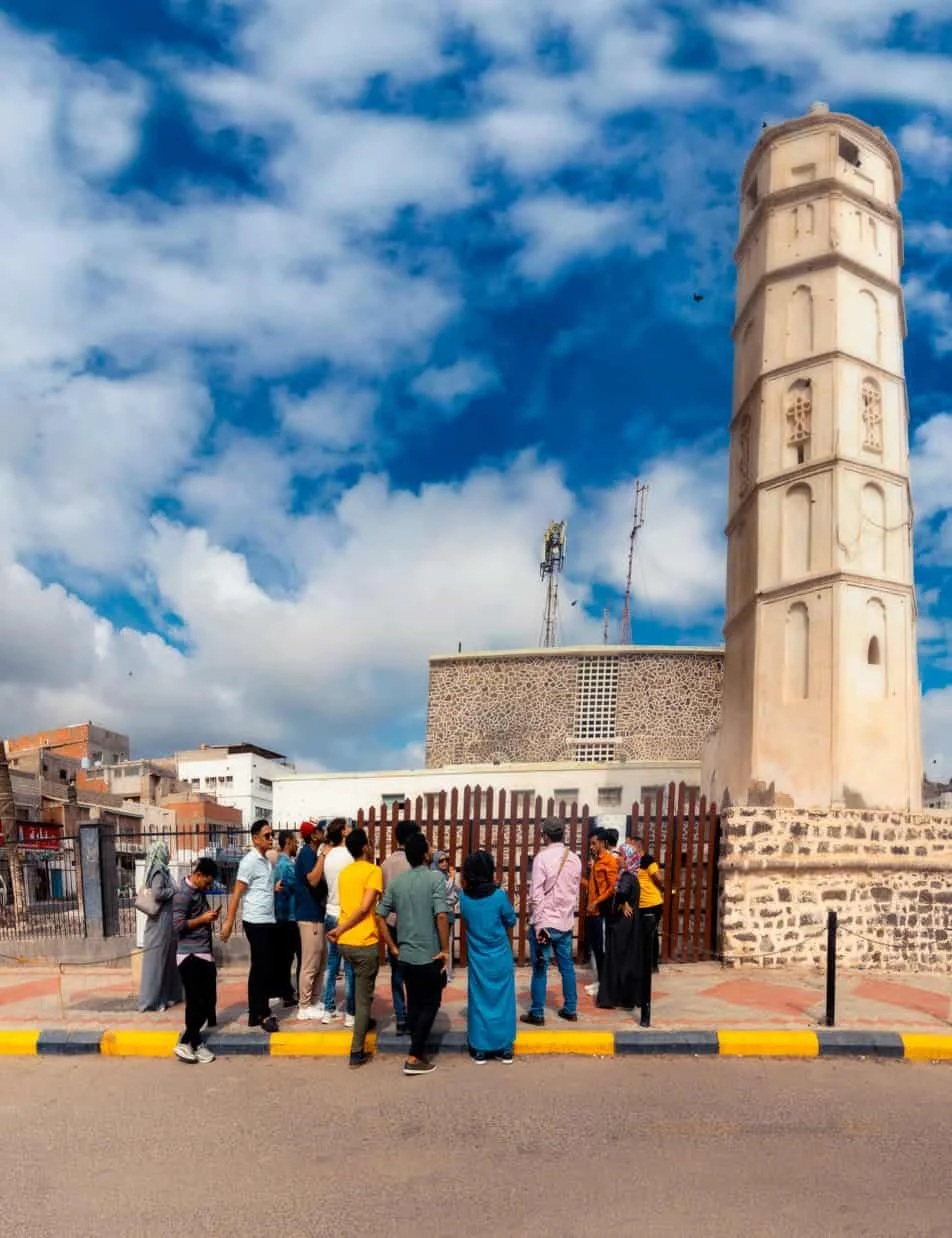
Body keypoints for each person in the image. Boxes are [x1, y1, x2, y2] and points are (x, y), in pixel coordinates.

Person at [378, 833, 449, 1076]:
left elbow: (379, 915)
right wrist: (445, 949)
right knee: (432, 1002)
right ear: (426, 854)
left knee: (416, 1002)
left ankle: (416, 1050)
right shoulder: (435, 879)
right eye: (429, 847)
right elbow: (441, 915)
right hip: (429, 955)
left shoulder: (397, 883)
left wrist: (393, 946)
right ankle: (415, 1056)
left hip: (405, 955)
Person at [326, 828, 382, 1069]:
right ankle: (356, 1050)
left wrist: (340, 931)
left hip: (346, 942)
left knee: (358, 988)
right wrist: (340, 929)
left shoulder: (346, 872)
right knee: (363, 996)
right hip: (363, 941)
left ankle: (362, 1020)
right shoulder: (373, 871)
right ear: (365, 848)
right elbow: (364, 908)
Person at [521, 817, 582, 1027]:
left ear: (544, 835)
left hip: (545, 922)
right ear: (562, 834)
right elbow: (574, 891)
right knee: (567, 967)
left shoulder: (542, 858)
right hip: (565, 922)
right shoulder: (575, 859)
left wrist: (538, 925)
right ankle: (571, 1009)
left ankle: (537, 1012)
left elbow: (536, 894)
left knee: (540, 967)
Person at [221, 819, 280, 1033]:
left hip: (267, 919)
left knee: (262, 967)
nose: (271, 838)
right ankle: (262, 1013)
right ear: (255, 839)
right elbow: (237, 893)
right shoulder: (249, 861)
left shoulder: (265, 861)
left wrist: (274, 888)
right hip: (255, 921)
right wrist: (228, 922)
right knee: (262, 968)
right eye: (267, 835)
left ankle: (256, 1013)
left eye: (272, 835)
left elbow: (260, 887)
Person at [459, 850, 517, 1063]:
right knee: (502, 1000)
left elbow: (466, 918)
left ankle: (480, 1048)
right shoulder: (499, 896)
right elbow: (511, 920)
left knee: (479, 1000)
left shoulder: (464, 897)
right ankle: (504, 1048)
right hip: (500, 956)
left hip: (477, 957)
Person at [171, 858, 220, 1064]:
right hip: (190, 955)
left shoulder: (198, 892)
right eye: (207, 882)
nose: (208, 887)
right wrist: (202, 919)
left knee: (207, 1000)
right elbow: (178, 926)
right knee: (195, 1001)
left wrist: (208, 917)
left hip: (203, 953)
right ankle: (189, 1042)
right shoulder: (183, 894)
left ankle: (192, 1040)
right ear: (198, 874)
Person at [380, 820, 421, 1035]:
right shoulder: (414, 862)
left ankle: (401, 1019)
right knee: (414, 973)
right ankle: (413, 1017)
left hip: (392, 923)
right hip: (413, 923)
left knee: (397, 972)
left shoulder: (386, 864)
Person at [138, 840, 183, 1012]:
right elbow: (157, 893)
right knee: (157, 962)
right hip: (160, 922)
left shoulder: (161, 869)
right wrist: (174, 891)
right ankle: (152, 1001)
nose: (169, 853)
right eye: (166, 850)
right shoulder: (158, 870)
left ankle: (167, 997)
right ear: (160, 852)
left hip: (165, 921)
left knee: (167, 961)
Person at [321, 819, 357, 1026]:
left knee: (332, 964)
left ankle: (328, 1008)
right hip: (346, 914)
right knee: (350, 966)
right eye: (348, 826)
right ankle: (350, 1014)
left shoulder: (328, 856)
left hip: (330, 912)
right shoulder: (349, 856)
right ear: (343, 832)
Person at [295, 820, 329, 1020]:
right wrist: (324, 854)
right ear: (313, 835)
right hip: (309, 917)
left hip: (316, 914)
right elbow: (313, 879)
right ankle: (304, 1005)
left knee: (320, 960)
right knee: (310, 962)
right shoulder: (308, 853)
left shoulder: (312, 854)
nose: (323, 833)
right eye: (320, 830)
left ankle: (314, 1001)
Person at [595, 865, 642, 1011]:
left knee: (615, 960)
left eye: (621, 855)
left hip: (621, 924)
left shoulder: (627, 876)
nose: (618, 858)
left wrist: (621, 902)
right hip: (631, 923)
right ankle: (627, 998)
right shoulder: (633, 876)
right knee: (627, 960)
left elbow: (622, 892)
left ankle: (611, 998)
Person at [585, 828, 619, 987]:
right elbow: (592, 885)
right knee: (596, 948)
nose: (591, 846)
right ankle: (600, 981)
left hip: (601, 912)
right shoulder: (596, 860)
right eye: (590, 843)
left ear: (603, 843)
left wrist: (597, 901)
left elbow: (612, 888)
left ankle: (605, 984)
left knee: (602, 949)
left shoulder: (609, 861)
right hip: (592, 911)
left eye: (594, 843)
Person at [630, 835, 664, 972]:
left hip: (652, 903)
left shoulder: (648, 861)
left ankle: (653, 964)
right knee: (641, 934)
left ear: (638, 846)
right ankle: (643, 962)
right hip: (640, 904)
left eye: (631, 845)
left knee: (651, 934)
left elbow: (658, 878)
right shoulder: (633, 862)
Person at [274, 831, 300, 1007]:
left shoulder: (278, 865)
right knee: (300, 957)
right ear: (288, 842)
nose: (297, 845)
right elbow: (299, 888)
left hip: (281, 916)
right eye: (295, 842)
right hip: (291, 917)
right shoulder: (288, 866)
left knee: (285, 958)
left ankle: (286, 992)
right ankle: (293, 993)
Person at [430, 849, 460, 980]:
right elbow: (445, 890)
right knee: (443, 943)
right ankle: (444, 972)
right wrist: (453, 878)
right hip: (443, 912)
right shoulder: (436, 874)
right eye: (441, 860)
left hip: (449, 911)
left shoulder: (445, 875)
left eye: (446, 860)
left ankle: (447, 971)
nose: (444, 863)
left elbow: (455, 892)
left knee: (449, 941)